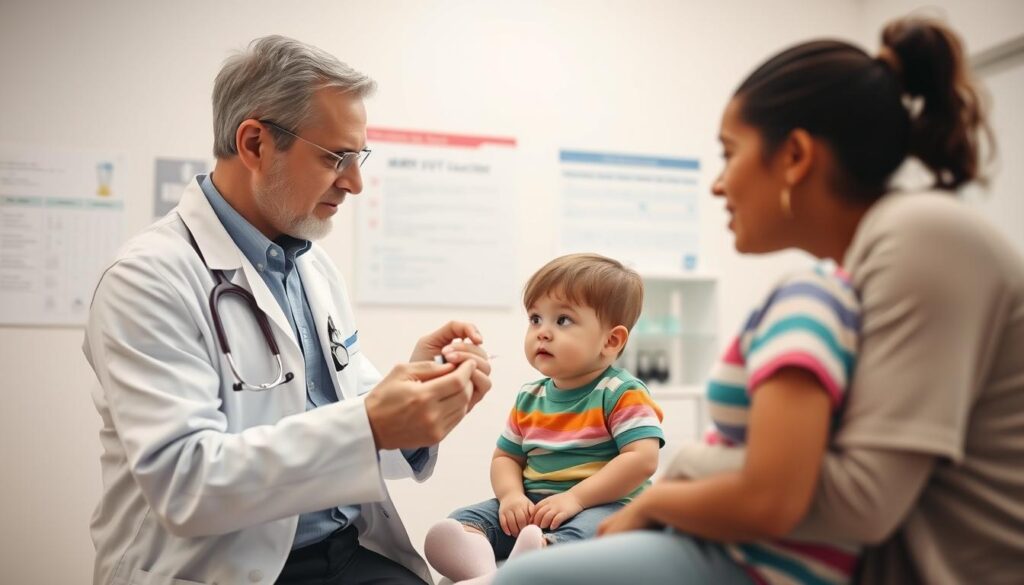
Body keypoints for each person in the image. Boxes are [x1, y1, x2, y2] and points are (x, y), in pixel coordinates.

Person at [494, 15, 1024, 585]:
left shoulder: (921, 237)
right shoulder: (865, 262)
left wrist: (676, 483)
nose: (717, 184)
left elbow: (859, 498)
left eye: (729, 153)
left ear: (794, 156)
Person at [83, 36, 493, 585]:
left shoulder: (310, 266)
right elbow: (185, 484)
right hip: (218, 568)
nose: (354, 182)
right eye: (335, 158)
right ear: (254, 143)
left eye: (358, 157)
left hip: (344, 552)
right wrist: (371, 423)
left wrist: (422, 395)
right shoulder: (147, 279)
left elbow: (341, 408)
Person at [423, 254, 665, 584]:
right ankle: (486, 575)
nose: (543, 332)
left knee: (589, 532)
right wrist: (511, 497)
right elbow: (506, 457)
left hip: (605, 505)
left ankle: (538, 560)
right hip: (535, 505)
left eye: (562, 321)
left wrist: (576, 498)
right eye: (535, 319)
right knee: (460, 524)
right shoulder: (530, 396)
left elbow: (642, 459)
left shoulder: (620, 391)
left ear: (611, 341)